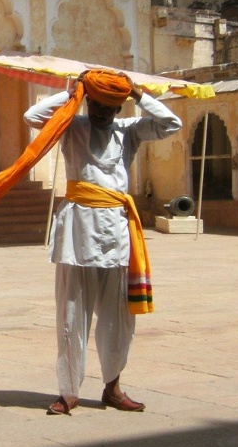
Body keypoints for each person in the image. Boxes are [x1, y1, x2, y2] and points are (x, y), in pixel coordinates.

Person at [23, 70, 181, 416]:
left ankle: (113, 387)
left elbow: (171, 124)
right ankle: (68, 392)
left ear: (119, 109)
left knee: (119, 314)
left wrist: (139, 95)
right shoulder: (72, 125)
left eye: (109, 107)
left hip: (117, 229)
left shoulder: (129, 131)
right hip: (77, 229)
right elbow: (32, 116)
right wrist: (74, 92)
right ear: (88, 101)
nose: (101, 113)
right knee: (71, 311)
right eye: (96, 104)